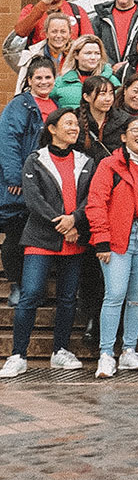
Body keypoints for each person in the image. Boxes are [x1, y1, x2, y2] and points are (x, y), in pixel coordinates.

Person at [0, 107, 95, 378]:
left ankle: (60, 351)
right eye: (68, 123)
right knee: (30, 295)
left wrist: (74, 220)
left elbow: (90, 198)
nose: (74, 128)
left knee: (68, 298)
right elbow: (33, 200)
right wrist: (62, 224)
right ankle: (18, 355)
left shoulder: (86, 161)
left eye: (76, 124)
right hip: (41, 238)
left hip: (74, 237)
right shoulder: (35, 159)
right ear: (52, 129)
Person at [87, 114, 138, 377]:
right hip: (117, 236)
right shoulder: (110, 165)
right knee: (115, 295)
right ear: (123, 137)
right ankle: (106, 354)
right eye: (135, 130)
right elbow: (96, 202)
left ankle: (129, 350)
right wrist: (101, 239)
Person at [0, 59, 57, 301]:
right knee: (16, 234)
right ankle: (17, 284)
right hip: (21, 182)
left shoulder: (57, 105)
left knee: (38, 237)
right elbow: (8, 141)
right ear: (29, 80)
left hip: (47, 182)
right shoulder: (20, 105)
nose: (43, 82)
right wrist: (15, 177)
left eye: (48, 77)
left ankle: (34, 288)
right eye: (38, 78)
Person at [53, 35, 118, 110]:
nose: (93, 57)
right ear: (76, 55)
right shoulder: (61, 82)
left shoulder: (112, 81)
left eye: (97, 53)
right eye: (88, 53)